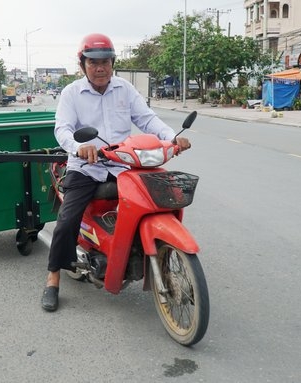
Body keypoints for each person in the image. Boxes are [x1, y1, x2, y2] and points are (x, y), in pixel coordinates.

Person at [41, 33, 191, 312]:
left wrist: (172, 138)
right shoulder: (72, 93)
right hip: (86, 167)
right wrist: (79, 147)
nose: (100, 68)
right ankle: (53, 278)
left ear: (112, 63)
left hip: (123, 164)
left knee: (154, 199)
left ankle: (137, 250)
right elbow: (62, 128)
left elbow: (147, 119)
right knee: (67, 219)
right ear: (83, 64)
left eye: (106, 62)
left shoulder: (124, 89)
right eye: (93, 62)